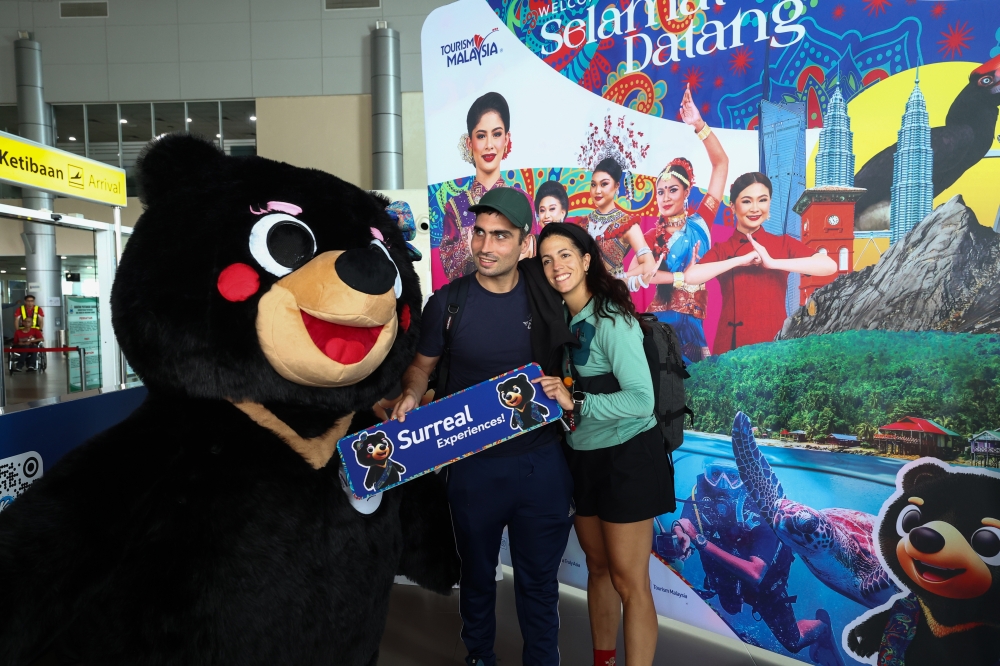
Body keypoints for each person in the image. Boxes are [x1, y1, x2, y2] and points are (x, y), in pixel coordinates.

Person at [391, 188, 574, 666]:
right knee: (476, 577)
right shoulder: (448, 304)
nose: (485, 247)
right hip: (474, 469)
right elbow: (421, 368)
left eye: (501, 236)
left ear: (525, 242)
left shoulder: (547, 295)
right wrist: (411, 393)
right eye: (480, 233)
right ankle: (479, 657)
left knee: (539, 584)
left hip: (541, 465)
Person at [532, 222, 674, 666]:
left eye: (565, 255)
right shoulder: (558, 320)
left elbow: (642, 401)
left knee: (631, 582)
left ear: (586, 260)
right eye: (547, 260)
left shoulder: (612, 319)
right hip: (582, 459)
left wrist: (575, 400)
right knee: (597, 569)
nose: (556, 266)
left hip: (627, 457)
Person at [662, 461, 844, 666]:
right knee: (731, 608)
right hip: (727, 578)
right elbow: (684, 524)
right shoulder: (699, 500)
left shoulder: (764, 510)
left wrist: (700, 541)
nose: (722, 483)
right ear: (706, 473)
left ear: (744, 479)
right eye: (715, 473)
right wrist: (679, 532)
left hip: (765, 587)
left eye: (732, 476)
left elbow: (756, 573)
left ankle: (822, 628)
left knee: (793, 642)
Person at [683, 173, 837, 354]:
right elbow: (690, 277)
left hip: (774, 344)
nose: (755, 208)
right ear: (732, 206)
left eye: (762, 200)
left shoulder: (783, 243)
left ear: (769, 203)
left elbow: (829, 266)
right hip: (730, 346)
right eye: (747, 201)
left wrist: (773, 263)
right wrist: (740, 260)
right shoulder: (722, 249)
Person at [643, 84, 729, 363]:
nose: (665, 197)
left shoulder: (701, 222)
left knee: (699, 384)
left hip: (693, 326)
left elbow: (721, 164)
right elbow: (636, 275)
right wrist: (679, 277)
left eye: (672, 190)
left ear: (687, 192)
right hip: (660, 324)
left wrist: (699, 125)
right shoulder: (650, 236)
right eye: (660, 192)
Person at [439, 92, 536, 281]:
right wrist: (468, 248)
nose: (489, 145)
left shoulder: (523, 200)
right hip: (471, 297)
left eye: (497, 134)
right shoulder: (455, 206)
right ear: (469, 143)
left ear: (506, 139)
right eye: (481, 136)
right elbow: (448, 268)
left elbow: (535, 259)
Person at [586, 158, 658, 293]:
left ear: (617, 186)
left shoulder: (627, 224)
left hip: (612, 295)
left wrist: (619, 277)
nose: (597, 190)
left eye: (604, 184)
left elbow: (649, 265)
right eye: (593, 185)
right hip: (582, 296)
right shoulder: (583, 223)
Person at [14, 295, 44, 371]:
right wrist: (18, 331)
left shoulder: (38, 309)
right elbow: (17, 320)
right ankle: (22, 365)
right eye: (28, 301)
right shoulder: (20, 309)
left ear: (34, 301)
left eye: (32, 301)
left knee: (34, 346)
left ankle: (31, 365)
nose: (30, 303)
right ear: (25, 301)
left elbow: (41, 321)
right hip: (23, 331)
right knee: (26, 346)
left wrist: (40, 330)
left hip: (35, 332)